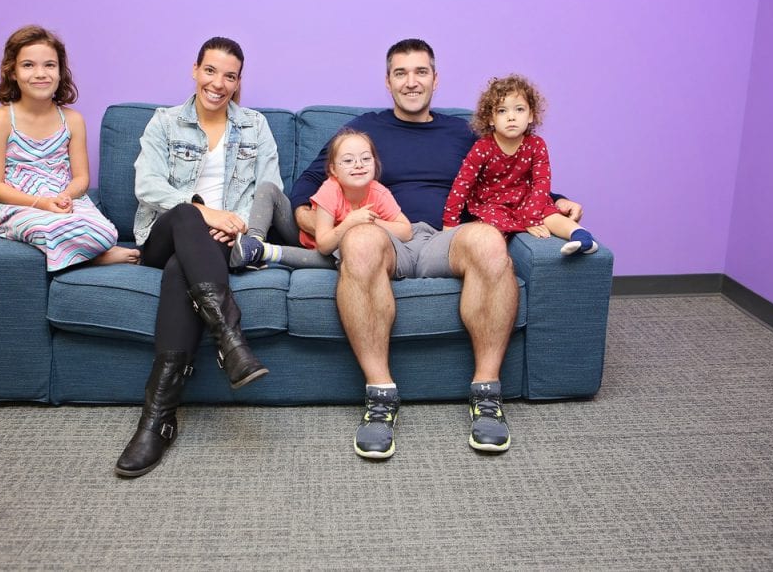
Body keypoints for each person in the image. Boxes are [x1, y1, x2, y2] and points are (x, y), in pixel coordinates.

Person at [289, 39, 584, 459]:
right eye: (401, 73)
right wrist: (328, 228)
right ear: (388, 82)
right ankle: (380, 397)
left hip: (446, 240)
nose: (411, 82)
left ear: (435, 78)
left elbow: (510, 180)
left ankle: (486, 394)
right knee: (361, 241)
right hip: (384, 237)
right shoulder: (363, 131)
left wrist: (556, 203)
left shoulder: (463, 132)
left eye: (421, 72)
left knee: (487, 237)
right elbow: (305, 192)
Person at [115, 37, 283, 478]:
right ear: (195, 70)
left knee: (180, 270)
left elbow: (269, 190)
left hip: (219, 243)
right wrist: (208, 213)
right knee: (185, 216)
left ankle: (157, 420)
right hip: (163, 235)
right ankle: (230, 339)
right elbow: (147, 186)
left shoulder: (255, 127)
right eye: (211, 71)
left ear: (239, 81)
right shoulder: (164, 123)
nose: (218, 83)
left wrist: (236, 226)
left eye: (230, 76)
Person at [0, 25, 139, 271]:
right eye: (28, 65)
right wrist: (42, 204)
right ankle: (95, 258)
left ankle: (82, 254)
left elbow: (81, 177)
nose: (40, 73)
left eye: (49, 65)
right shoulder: (0, 120)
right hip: (22, 205)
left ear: (59, 71)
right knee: (50, 227)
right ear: (12, 72)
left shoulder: (72, 120)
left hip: (64, 198)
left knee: (107, 232)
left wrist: (65, 197)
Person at [443, 74, 598, 255]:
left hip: (527, 200)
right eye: (502, 111)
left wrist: (531, 217)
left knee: (550, 213)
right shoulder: (482, 148)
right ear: (491, 119)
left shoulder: (536, 145)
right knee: (488, 234)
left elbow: (542, 182)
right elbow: (462, 185)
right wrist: (449, 223)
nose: (511, 117)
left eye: (519, 109)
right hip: (493, 204)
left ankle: (582, 238)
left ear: (531, 115)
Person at [231, 129, 411, 269]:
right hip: (307, 236)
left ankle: (264, 252)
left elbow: (406, 231)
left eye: (366, 158)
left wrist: (370, 223)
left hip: (337, 251)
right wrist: (349, 223)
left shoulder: (379, 193)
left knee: (347, 259)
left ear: (375, 163)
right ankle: (253, 244)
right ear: (333, 170)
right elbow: (323, 242)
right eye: (348, 161)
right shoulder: (330, 189)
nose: (358, 164)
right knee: (268, 188)